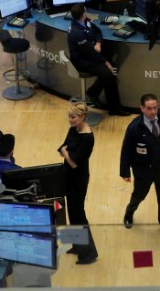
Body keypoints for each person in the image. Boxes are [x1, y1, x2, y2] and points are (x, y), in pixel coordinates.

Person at [120, 93, 160, 241]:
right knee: (139, 195)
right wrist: (125, 171)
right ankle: (129, 213)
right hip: (144, 171)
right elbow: (126, 150)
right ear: (142, 109)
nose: (153, 112)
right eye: (149, 108)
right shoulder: (134, 128)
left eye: (155, 108)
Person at [58, 102, 99, 265]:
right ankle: (76, 245)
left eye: (73, 117)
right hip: (68, 174)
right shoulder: (73, 129)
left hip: (78, 178)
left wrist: (66, 153)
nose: (70, 120)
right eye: (69, 116)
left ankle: (89, 253)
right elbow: (63, 146)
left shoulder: (88, 137)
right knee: (72, 213)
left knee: (79, 214)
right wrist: (66, 152)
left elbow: (74, 162)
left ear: (83, 117)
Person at [67, 3, 124, 116]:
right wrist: (106, 63)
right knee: (108, 73)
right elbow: (90, 52)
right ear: (83, 14)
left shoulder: (85, 21)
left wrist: (98, 42)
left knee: (111, 73)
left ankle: (114, 108)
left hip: (91, 55)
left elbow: (97, 31)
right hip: (82, 61)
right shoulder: (76, 32)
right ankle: (92, 93)